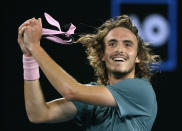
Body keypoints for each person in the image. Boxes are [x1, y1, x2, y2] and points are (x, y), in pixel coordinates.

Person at [17, 15, 159, 131]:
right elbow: (38, 114)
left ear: (138, 57)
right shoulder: (91, 98)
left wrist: (35, 47)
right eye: (112, 44)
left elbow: (70, 91)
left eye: (127, 44)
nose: (119, 49)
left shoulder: (141, 89)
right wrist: (29, 58)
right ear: (102, 54)